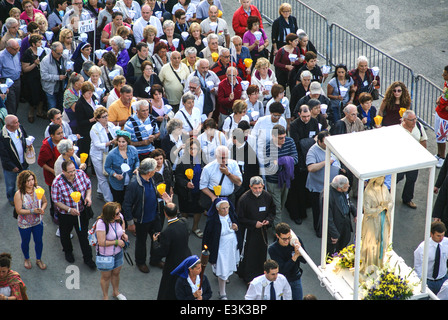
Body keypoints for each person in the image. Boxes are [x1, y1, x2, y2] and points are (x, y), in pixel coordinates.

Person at [122, 158, 171, 273]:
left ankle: (155, 259)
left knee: (157, 239)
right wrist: (130, 223)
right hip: (141, 220)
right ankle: (140, 262)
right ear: (149, 172)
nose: (156, 170)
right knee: (141, 242)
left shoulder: (151, 178)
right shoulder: (134, 184)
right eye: (154, 169)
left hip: (154, 217)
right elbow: (126, 205)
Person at [51, 160, 95, 268]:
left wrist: (88, 197)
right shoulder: (57, 183)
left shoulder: (81, 174)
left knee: (83, 235)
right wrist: (69, 210)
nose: (73, 174)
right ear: (63, 171)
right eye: (70, 172)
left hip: (81, 211)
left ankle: (88, 258)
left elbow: (89, 186)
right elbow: (56, 201)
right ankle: (68, 252)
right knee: (65, 234)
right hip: (66, 215)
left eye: (73, 170)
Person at [237, 176, 275, 285]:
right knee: (249, 254)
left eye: (259, 187)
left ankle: (260, 274)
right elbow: (240, 218)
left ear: (263, 186)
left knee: (261, 252)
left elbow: (272, 211)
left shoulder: (267, 196)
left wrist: (268, 220)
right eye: (255, 188)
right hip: (249, 232)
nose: (258, 190)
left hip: (262, 231)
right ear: (250, 187)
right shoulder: (244, 199)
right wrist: (254, 224)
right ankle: (248, 277)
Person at [202, 197, 242, 300]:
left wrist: (236, 228)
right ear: (217, 209)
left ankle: (224, 277)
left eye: (227, 208)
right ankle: (222, 292)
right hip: (220, 248)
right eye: (223, 208)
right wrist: (207, 253)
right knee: (222, 269)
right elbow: (207, 237)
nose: (225, 210)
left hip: (232, 246)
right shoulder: (212, 220)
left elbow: (238, 229)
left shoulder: (232, 216)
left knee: (227, 267)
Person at [286, 104, 319, 225]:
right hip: (299, 160)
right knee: (297, 187)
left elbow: (317, 137)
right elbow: (297, 143)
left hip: (310, 158)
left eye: (308, 116)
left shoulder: (314, 122)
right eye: (304, 116)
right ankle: (296, 213)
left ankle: (306, 205)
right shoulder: (294, 125)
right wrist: (311, 141)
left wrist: (307, 142)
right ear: (299, 114)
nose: (306, 119)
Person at [153, 202, 192, 300]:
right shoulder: (184, 222)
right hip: (186, 258)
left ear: (165, 214)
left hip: (173, 263)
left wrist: (155, 242)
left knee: (169, 287)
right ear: (177, 211)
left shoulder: (167, 232)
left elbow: (161, 252)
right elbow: (180, 217)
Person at [306, 131, 341, 237]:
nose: (329, 144)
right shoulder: (313, 151)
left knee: (330, 209)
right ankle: (319, 230)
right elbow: (311, 168)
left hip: (332, 186)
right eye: (326, 142)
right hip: (318, 188)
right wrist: (326, 162)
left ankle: (330, 228)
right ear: (319, 142)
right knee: (318, 211)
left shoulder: (331, 146)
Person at [264, 124, 298, 228]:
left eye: (284, 137)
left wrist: (279, 161)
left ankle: (271, 220)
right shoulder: (268, 147)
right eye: (280, 138)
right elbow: (268, 167)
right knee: (277, 207)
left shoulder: (290, 141)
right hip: (273, 182)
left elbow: (295, 159)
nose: (283, 140)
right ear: (273, 136)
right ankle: (278, 231)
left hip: (286, 180)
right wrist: (287, 162)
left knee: (281, 205)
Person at [14, 170, 48, 270]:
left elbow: (45, 202)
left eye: (32, 179)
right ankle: (27, 258)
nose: (31, 182)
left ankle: (39, 259)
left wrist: (42, 209)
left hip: (37, 221)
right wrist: (33, 211)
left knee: (39, 241)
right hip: (24, 224)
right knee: (25, 241)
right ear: (23, 182)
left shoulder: (39, 189)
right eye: (28, 180)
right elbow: (19, 210)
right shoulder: (19, 194)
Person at [95, 201, 128, 300]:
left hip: (118, 253)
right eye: (117, 213)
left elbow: (123, 222)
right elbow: (101, 242)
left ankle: (115, 292)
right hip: (106, 255)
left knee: (116, 273)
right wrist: (116, 242)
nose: (119, 214)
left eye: (119, 212)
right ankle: (105, 297)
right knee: (106, 277)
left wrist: (123, 232)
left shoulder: (119, 217)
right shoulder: (101, 223)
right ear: (110, 215)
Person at [360, 175, 392, 274]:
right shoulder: (368, 192)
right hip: (372, 222)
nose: (382, 179)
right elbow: (367, 210)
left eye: (383, 177)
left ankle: (379, 264)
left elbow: (391, 202)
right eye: (380, 177)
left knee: (382, 242)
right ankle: (369, 266)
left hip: (383, 219)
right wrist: (379, 209)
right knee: (371, 243)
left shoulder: (385, 189)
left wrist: (386, 206)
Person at [175, 137, 206, 237]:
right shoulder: (182, 160)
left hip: (199, 189)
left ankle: (195, 227)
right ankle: (185, 227)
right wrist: (186, 183)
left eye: (195, 148)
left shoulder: (202, 159)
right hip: (186, 191)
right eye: (191, 148)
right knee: (185, 210)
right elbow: (178, 177)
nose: (193, 151)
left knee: (198, 209)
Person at [397, 110, 427, 209]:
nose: (414, 121)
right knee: (397, 177)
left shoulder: (418, 126)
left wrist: (423, 155)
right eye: (411, 120)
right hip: (401, 159)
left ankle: (407, 199)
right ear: (404, 120)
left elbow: (423, 139)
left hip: (414, 159)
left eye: (415, 119)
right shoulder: (398, 129)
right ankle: (387, 194)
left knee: (411, 179)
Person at [268, 222, 306, 300]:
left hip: (296, 278)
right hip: (283, 280)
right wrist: (295, 256)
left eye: (289, 238)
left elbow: (305, 260)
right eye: (284, 239)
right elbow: (282, 269)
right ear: (277, 236)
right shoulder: (273, 249)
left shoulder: (295, 241)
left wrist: (300, 251)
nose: (287, 241)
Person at [199, 145, 242, 211]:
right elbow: (202, 186)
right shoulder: (208, 168)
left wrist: (228, 174)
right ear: (216, 156)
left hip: (229, 198)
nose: (224, 160)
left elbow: (239, 182)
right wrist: (213, 197)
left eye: (226, 157)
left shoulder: (233, 164)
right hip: (216, 198)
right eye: (221, 158)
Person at [0, 115, 29, 206]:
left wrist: (28, 144)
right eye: (16, 122)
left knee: (25, 181)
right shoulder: (2, 136)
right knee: (11, 184)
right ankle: (11, 198)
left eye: (17, 121)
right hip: (11, 167)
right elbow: (4, 156)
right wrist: (12, 166)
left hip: (23, 162)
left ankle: (26, 196)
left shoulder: (20, 128)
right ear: (8, 125)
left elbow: (25, 138)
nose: (18, 124)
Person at [104, 130, 140, 205]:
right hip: (117, 184)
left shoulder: (133, 150)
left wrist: (137, 168)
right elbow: (106, 167)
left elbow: (137, 161)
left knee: (130, 201)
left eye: (123, 142)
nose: (121, 144)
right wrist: (115, 175)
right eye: (119, 141)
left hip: (130, 182)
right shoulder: (112, 154)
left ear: (127, 142)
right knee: (119, 202)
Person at [90, 107, 118, 202]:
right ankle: (109, 200)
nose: (106, 118)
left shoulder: (110, 125)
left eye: (106, 116)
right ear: (97, 119)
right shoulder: (94, 129)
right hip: (98, 156)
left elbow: (116, 134)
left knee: (105, 174)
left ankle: (100, 191)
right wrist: (110, 143)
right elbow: (97, 145)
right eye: (103, 117)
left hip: (109, 154)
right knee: (102, 177)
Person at [325, 175, 357, 256]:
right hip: (335, 228)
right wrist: (334, 234)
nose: (349, 187)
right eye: (346, 186)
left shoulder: (343, 190)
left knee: (343, 247)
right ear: (339, 188)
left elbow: (348, 202)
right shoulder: (327, 196)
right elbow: (328, 218)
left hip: (345, 225)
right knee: (331, 253)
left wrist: (355, 213)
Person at [414, 221, 448, 295]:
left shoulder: (446, 243)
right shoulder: (422, 248)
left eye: (443, 235)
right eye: (438, 236)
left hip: (443, 279)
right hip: (428, 281)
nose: (441, 238)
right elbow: (418, 267)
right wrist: (422, 283)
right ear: (431, 234)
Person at [21, 34, 46, 123]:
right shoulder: (28, 53)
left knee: (42, 95)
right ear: (33, 44)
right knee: (33, 96)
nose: (41, 44)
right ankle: (31, 113)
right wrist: (35, 64)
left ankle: (39, 112)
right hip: (32, 78)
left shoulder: (42, 51)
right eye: (39, 42)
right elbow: (25, 69)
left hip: (41, 77)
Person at [41, 41, 71, 112]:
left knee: (62, 106)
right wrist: (58, 77)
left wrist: (69, 69)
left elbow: (69, 65)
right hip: (51, 89)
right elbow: (44, 76)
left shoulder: (64, 57)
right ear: (52, 51)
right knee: (52, 108)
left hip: (62, 87)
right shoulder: (45, 61)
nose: (60, 55)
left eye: (61, 52)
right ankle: (52, 122)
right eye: (58, 53)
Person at [74, 81, 98, 156]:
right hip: (85, 131)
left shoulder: (93, 98)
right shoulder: (79, 104)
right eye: (89, 93)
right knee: (85, 152)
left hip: (94, 128)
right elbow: (80, 122)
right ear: (83, 93)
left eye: (91, 93)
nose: (91, 95)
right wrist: (91, 120)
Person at [0, 39, 21, 115]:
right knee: (11, 103)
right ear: (8, 48)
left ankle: (14, 117)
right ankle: (12, 120)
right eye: (15, 49)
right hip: (7, 82)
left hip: (17, 80)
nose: (17, 50)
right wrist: (3, 86)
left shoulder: (17, 54)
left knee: (16, 101)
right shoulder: (1, 56)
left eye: (18, 48)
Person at [434, 65, 448, 168]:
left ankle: (442, 157)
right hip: (439, 112)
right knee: (437, 135)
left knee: (441, 137)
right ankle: (438, 155)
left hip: (445, 117)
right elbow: (444, 94)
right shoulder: (446, 83)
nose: (442, 75)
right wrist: (440, 97)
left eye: (445, 74)